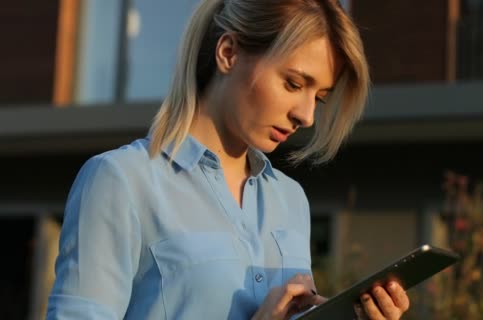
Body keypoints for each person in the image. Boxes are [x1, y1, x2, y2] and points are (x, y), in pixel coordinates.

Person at [46, 0, 410, 319]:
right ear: (229, 53)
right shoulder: (121, 180)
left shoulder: (291, 200)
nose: (307, 116)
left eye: (320, 97)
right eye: (294, 84)